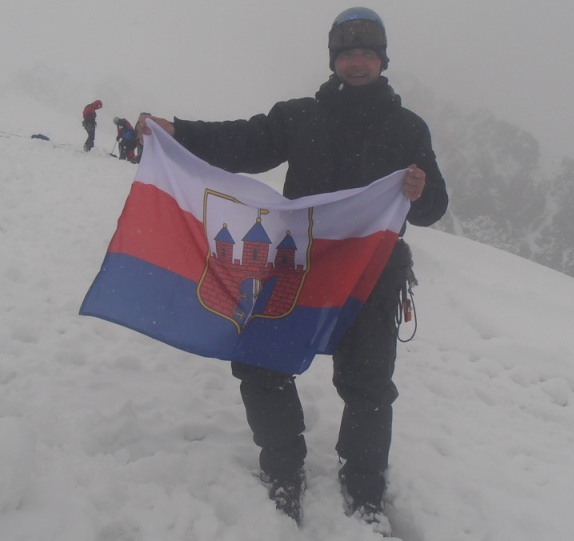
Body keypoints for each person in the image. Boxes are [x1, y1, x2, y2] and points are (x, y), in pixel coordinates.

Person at [136, 7, 448, 530]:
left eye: (367, 52)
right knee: (262, 364)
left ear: (382, 60)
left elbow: (434, 206)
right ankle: (283, 468)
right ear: (333, 60)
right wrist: (179, 132)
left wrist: (419, 192)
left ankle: (365, 490)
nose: (356, 62)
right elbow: (246, 142)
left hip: (373, 274)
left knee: (369, 385)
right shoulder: (301, 115)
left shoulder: (408, 128)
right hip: (298, 266)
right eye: (347, 53)